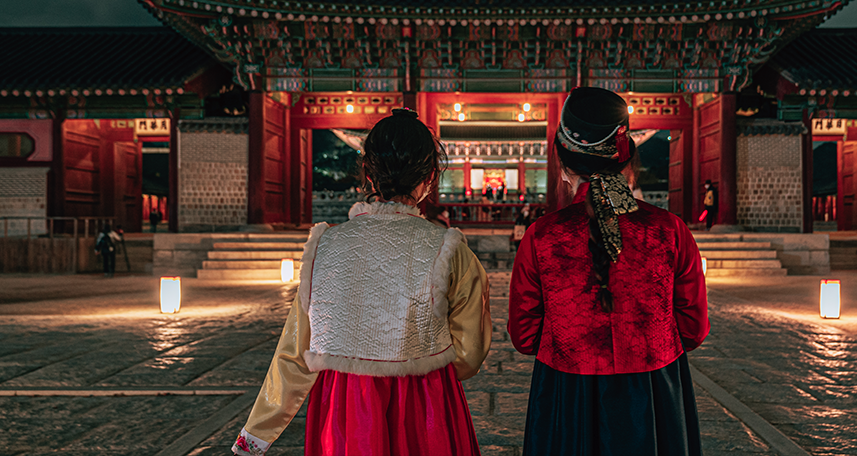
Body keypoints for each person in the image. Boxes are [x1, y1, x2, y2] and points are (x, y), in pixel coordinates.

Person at [233, 108, 491, 456]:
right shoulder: (450, 249)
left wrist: (256, 434)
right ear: (430, 177)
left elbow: (294, 352)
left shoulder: (324, 246)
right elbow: (468, 355)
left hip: (345, 401)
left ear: (368, 174)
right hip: (425, 398)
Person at [508, 87, 709, 456]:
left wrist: (571, 343)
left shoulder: (541, 237)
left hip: (566, 394)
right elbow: (693, 329)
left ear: (563, 162)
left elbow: (524, 335)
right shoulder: (670, 231)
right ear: (626, 158)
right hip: (653, 394)